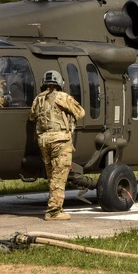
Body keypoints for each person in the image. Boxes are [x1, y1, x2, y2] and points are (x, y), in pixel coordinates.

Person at [29, 70, 85, 220]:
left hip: (44, 141)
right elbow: (80, 113)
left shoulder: (38, 99)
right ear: (60, 83)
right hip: (60, 141)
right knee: (59, 176)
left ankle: (54, 206)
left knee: (52, 175)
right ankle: (54, 211)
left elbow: (32, 116)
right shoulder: (63, 97)